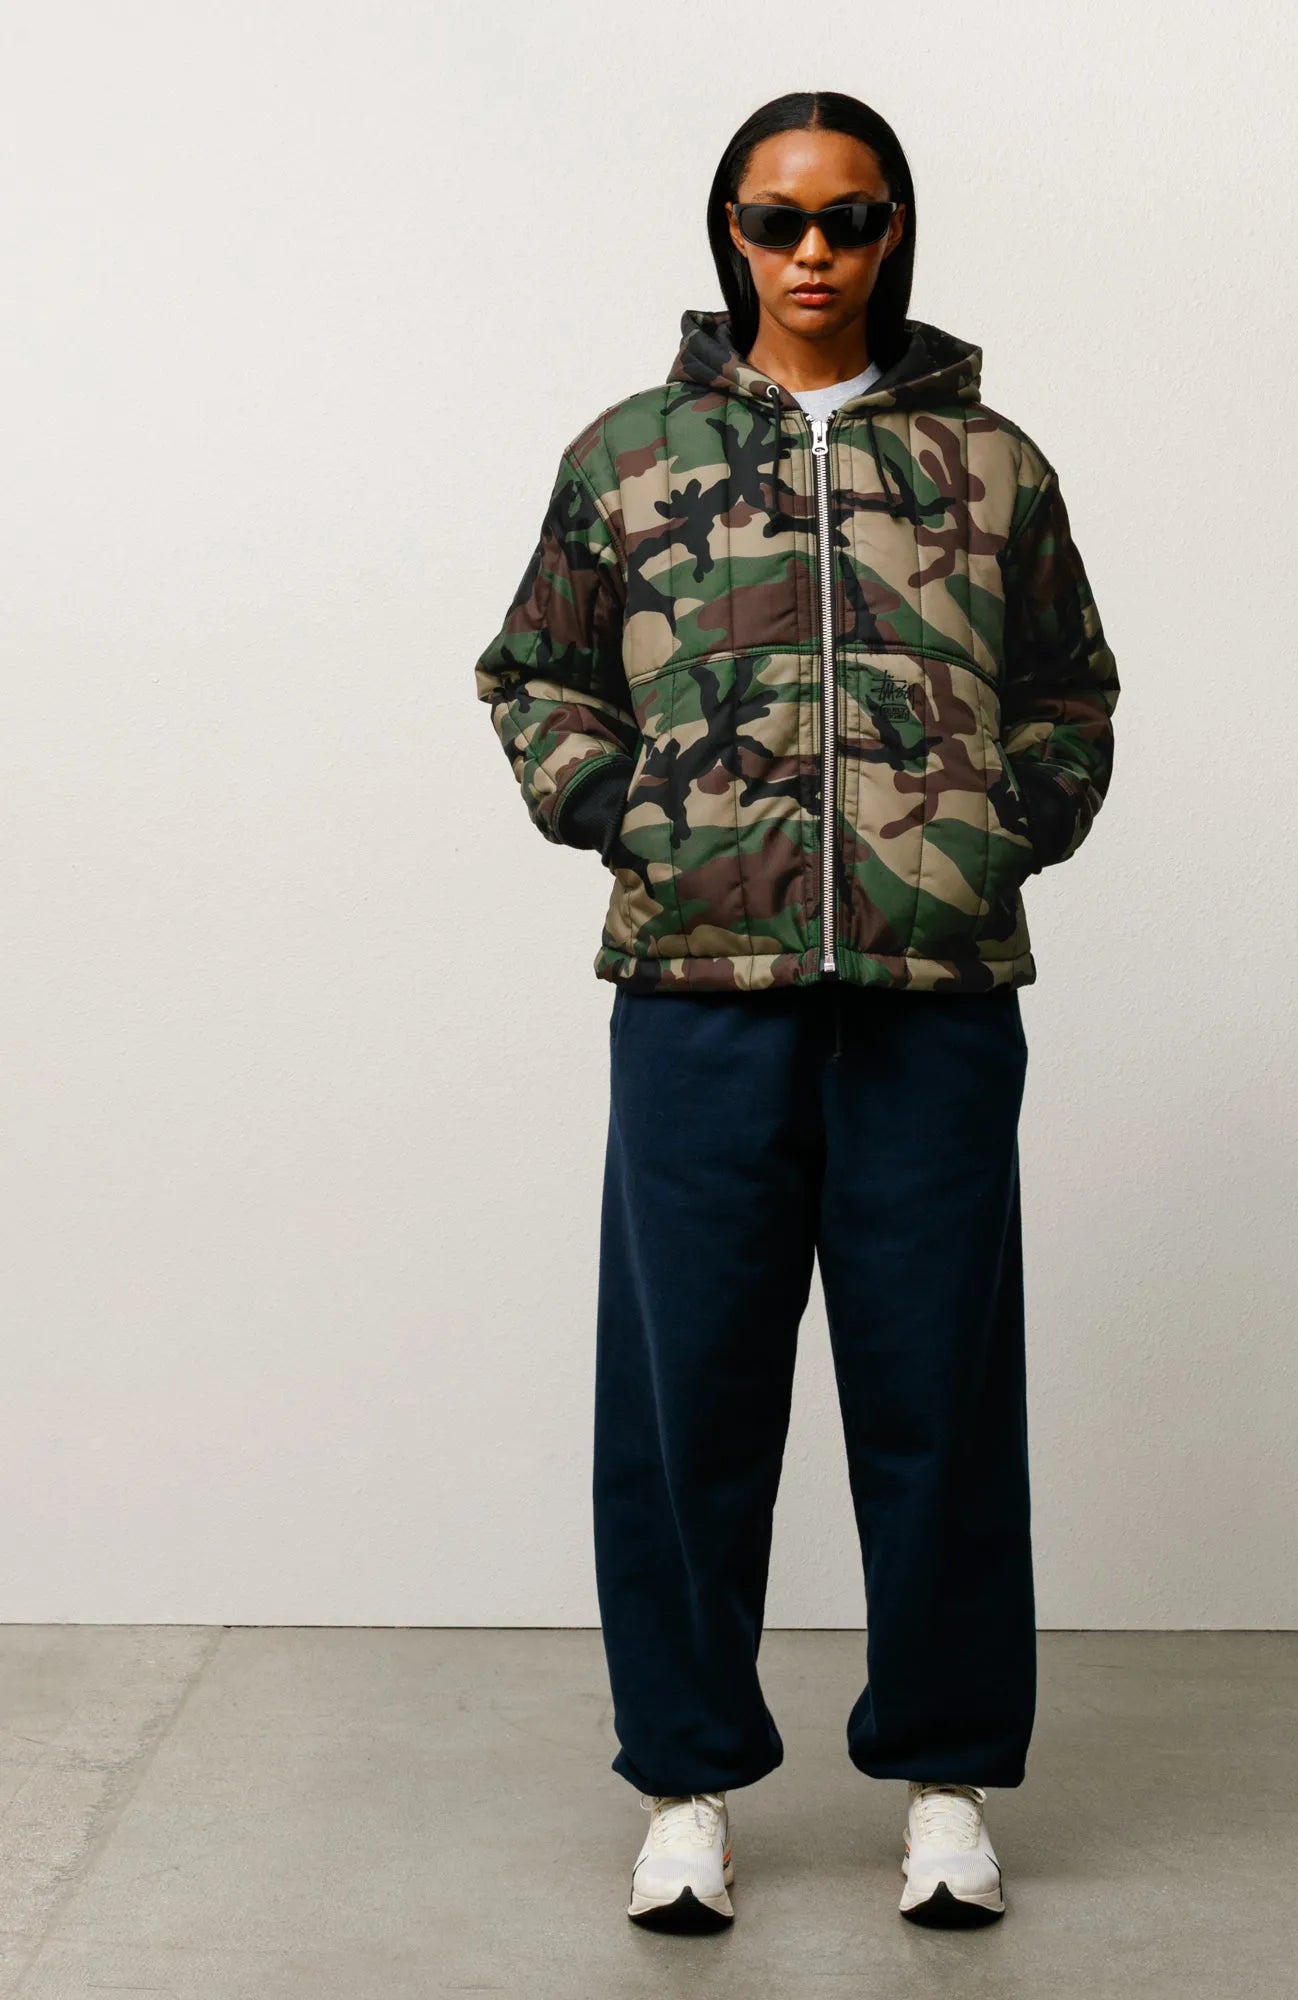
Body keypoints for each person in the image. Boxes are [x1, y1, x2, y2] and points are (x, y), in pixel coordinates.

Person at [473, 89, 1119, 1933]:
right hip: (700, 997)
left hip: (933, 999)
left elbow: (1071, 694)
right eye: (777, 220)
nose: (813, 252)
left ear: (896, 228)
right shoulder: (633, 454)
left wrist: (992, 834)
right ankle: (683, 1786)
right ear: (730, 232)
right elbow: (533, 675)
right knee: (689, 1407)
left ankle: (947, 1782)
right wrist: (635, 814)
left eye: (849, 217)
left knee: (940, 1403)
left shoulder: (990, 464)